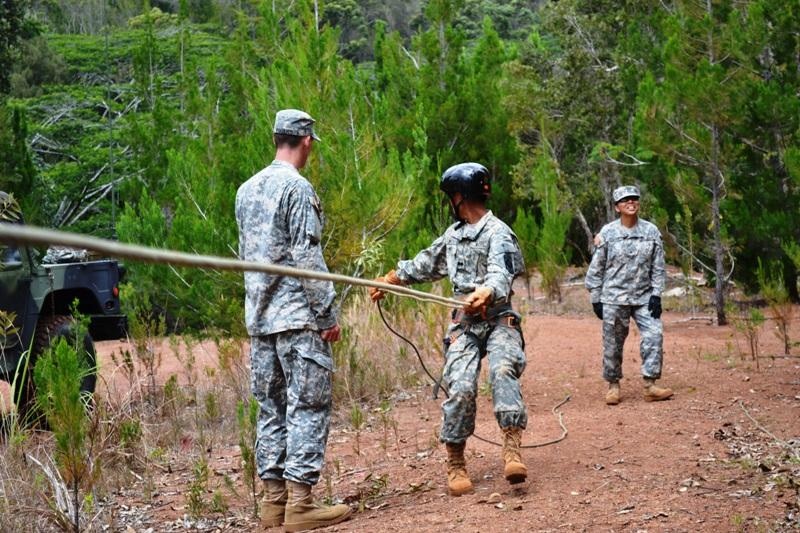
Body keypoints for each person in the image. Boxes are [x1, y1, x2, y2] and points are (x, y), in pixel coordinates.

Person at [369, 162, 529, 497]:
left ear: (459, 196)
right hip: (465, 324)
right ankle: (456, 461)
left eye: (451, 196)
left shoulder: (499, 232)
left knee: (503, 370)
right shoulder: (452, 236)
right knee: (461, 386)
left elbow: (502, 273)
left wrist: (486, 291)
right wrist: (391, 279)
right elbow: (424, 264)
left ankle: (512, 449)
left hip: (499, 318)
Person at [235, 109, 352, 532]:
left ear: (276, 139)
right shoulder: (297, 189)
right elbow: (308, 258)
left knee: (271, 410)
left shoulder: (245, 191)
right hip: (299, 320)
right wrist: (327, 315)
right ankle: (300, 506)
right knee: (308, 407)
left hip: (260, 320)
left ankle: (273, 506)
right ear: (305, 142)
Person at [584, 185, 674, 405]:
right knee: (613, 343)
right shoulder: (607, 233)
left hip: (644, 297)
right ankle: (613, 385)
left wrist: (657, 294)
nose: (631, 203)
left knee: (654, 335)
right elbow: (597, 267)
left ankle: (650, 385)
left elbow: (658, 265)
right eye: (625, 201)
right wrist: (596, 298)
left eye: (634, 199)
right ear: (617, 207)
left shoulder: (651, 231)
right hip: (614, 297)